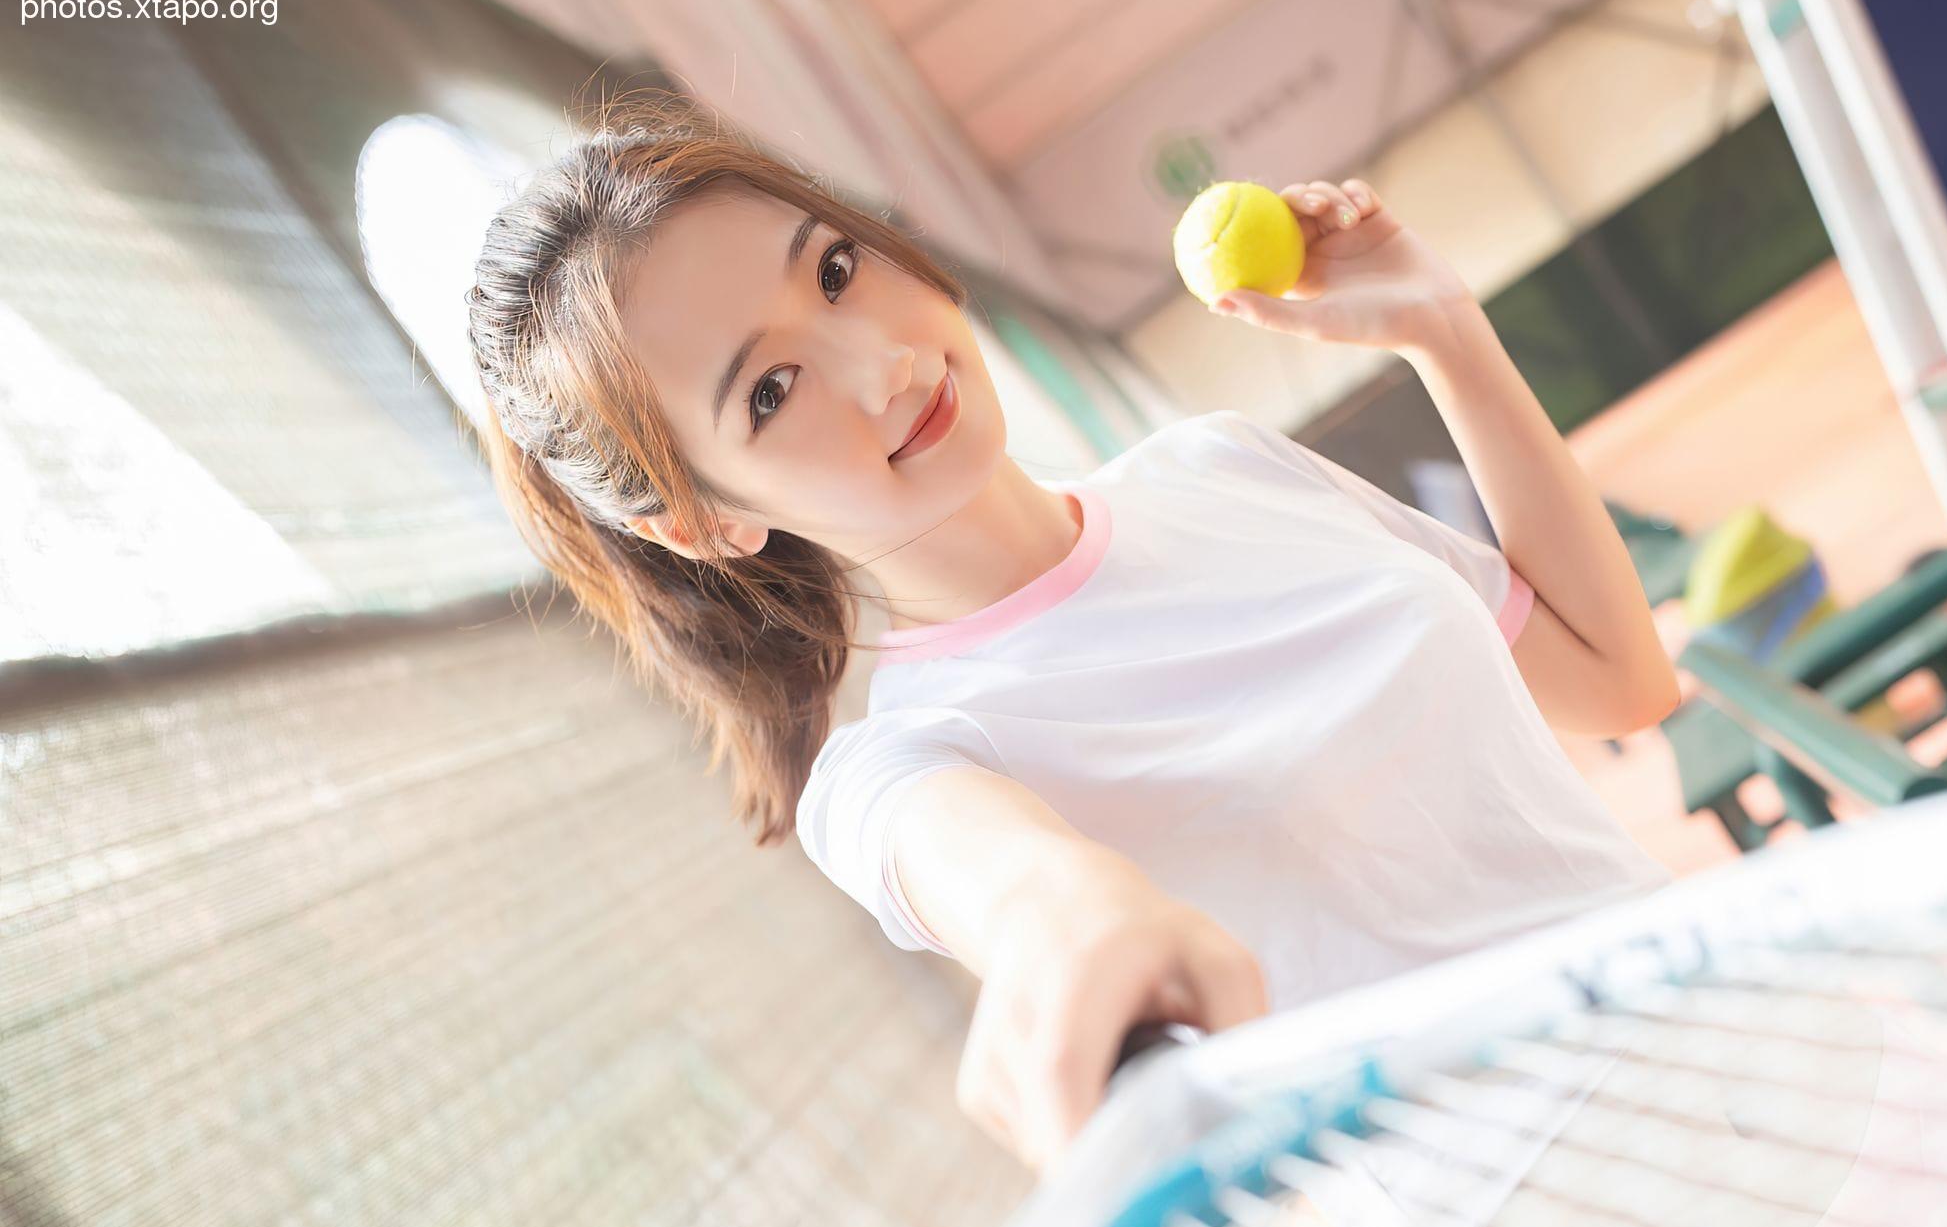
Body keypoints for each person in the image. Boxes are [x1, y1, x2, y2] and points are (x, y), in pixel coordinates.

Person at [464, 93, 1677, 1169]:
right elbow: (1023, 893)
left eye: (834, 272)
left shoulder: (1226, 465)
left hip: (1777, 1038)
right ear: (702, 523)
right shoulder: (901, 772)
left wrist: (1444, 331)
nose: (880, 364)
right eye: (770, 393)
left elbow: (1613, 680)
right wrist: (1084, 934)